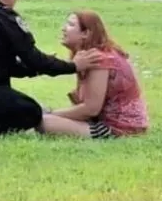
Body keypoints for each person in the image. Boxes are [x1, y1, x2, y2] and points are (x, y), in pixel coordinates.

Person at [0, 0, 102, 136]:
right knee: (32, 111)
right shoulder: (3, 17)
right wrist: (72, 66)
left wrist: (36, 69)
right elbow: (33, 58)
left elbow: (4, 64)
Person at [40, 10, 150, 139]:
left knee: (43, 122)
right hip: (98, 120)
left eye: (70, 25)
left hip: (117, 128)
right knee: (33, 110)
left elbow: (91, 109)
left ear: (86, 33)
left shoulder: (99, 59)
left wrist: (52, 114)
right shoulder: (88, 55)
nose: (63, 29)